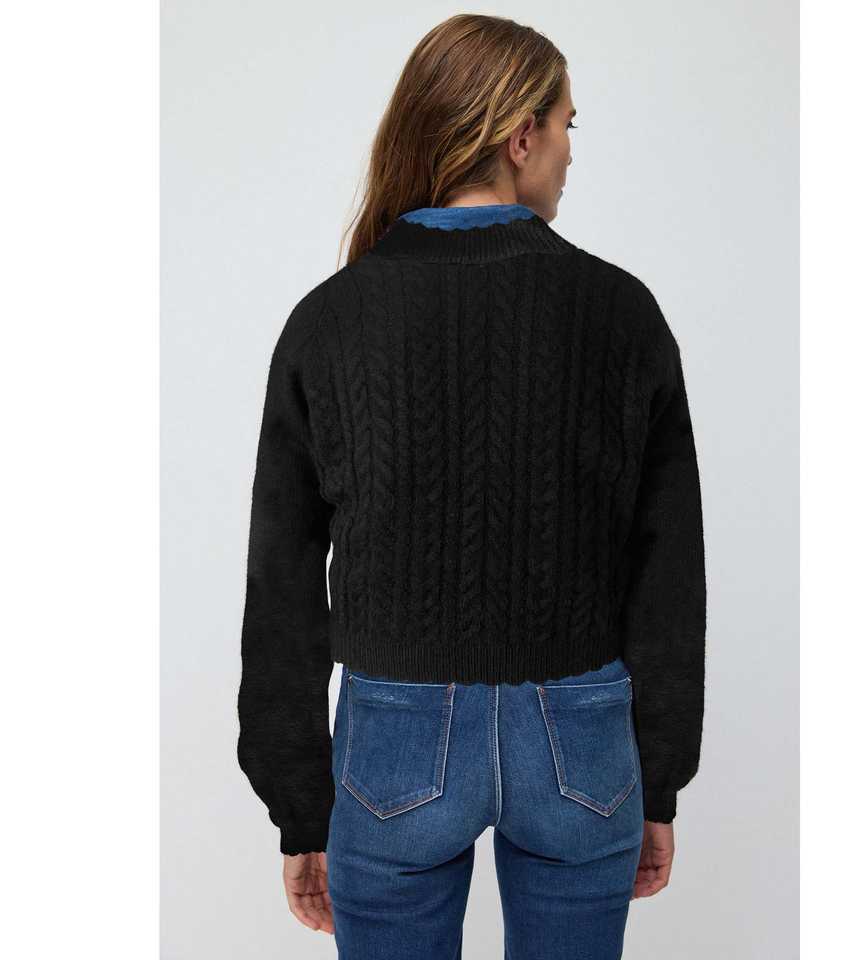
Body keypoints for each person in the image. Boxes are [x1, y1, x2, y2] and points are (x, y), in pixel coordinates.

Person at [237, 13, 706, 959]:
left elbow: (280, 578)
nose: (571, 152)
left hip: (393, 748)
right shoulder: (622, 312)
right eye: (567, 125)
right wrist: (655, 778)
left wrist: (301, 804)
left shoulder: (330, 320)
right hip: (582, 746)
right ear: (520, 137)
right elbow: (668, 569)